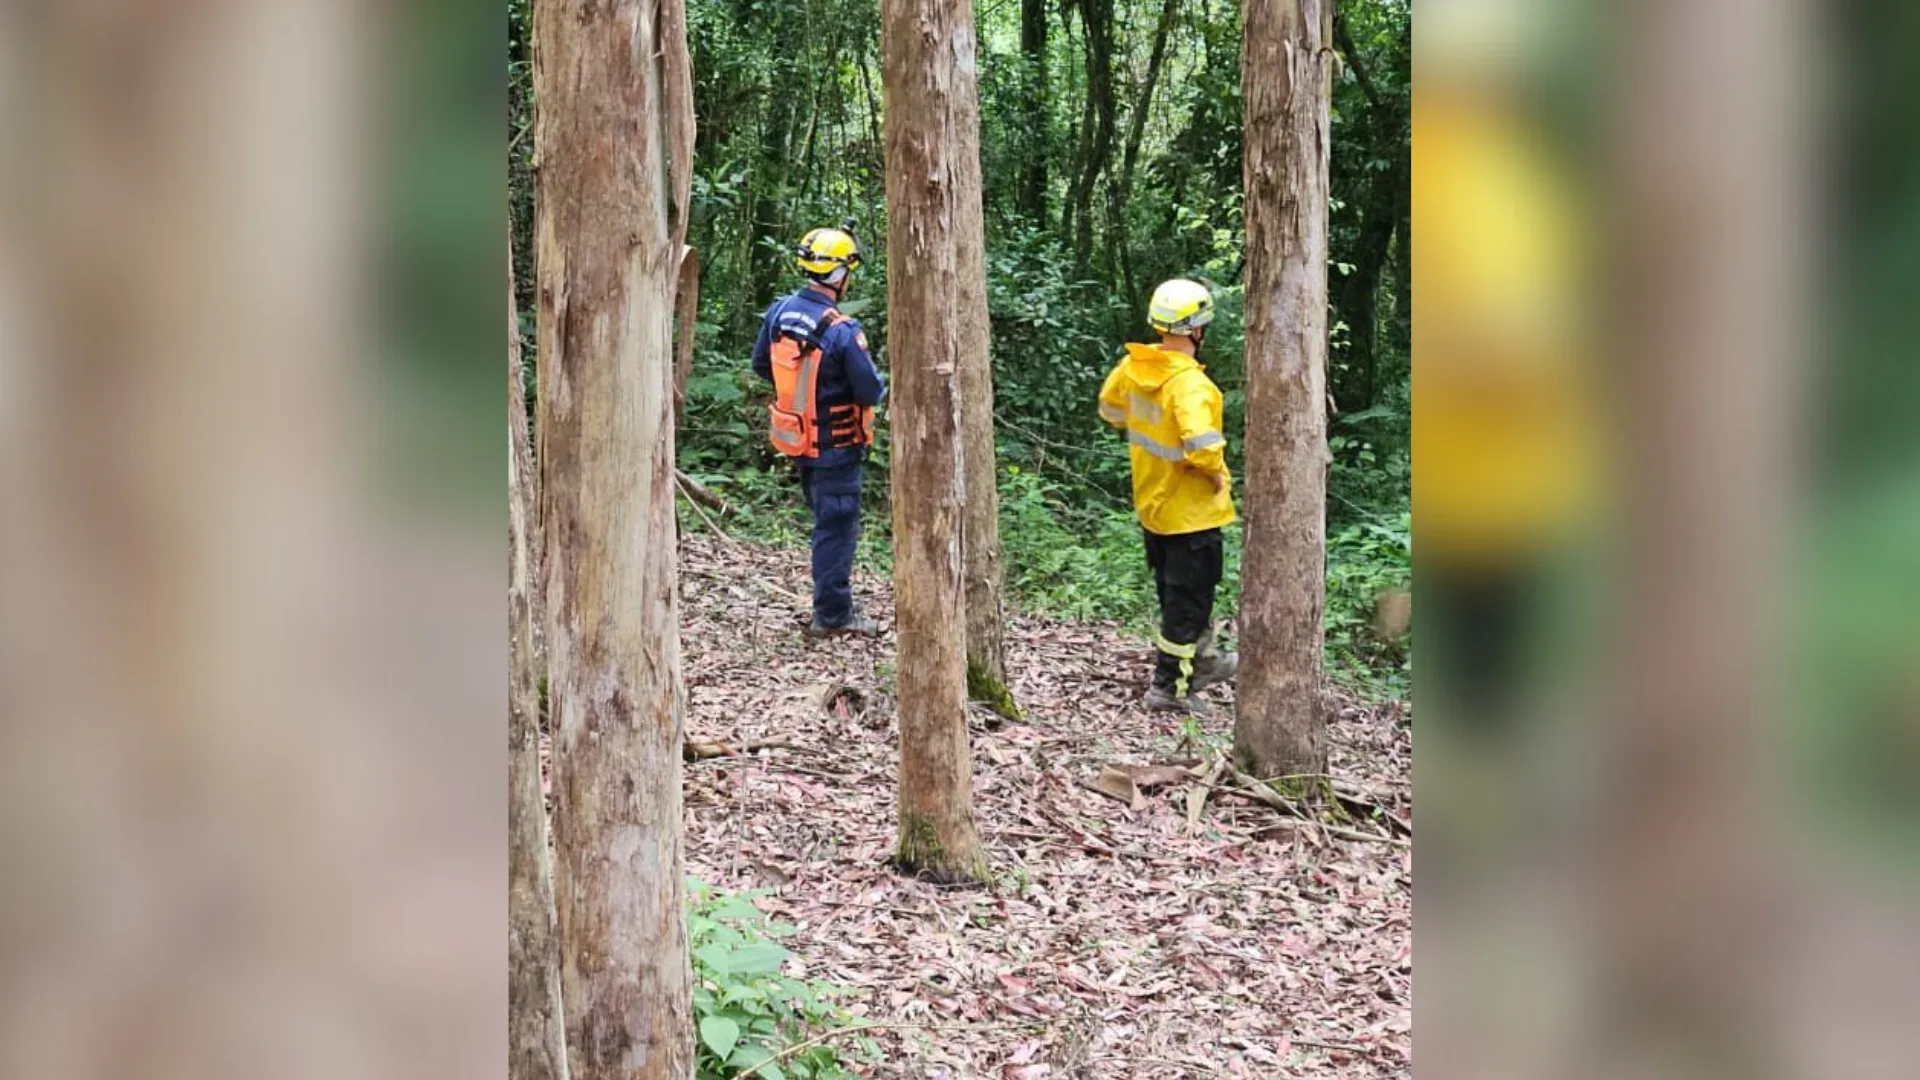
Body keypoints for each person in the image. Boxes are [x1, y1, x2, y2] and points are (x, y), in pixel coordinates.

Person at [1098, 278, 1239, 712]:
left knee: (1177, 596)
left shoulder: (1133, 369)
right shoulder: (1190, 386)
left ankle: (1203, 661)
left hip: (1154, 507)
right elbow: (1200, 442)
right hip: (1191, 514)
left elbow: (1109, 410)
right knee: (1188, 604)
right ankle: (1169, 689)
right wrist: (1215, 472)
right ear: (1197, 329)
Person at [753, 225, 886, 637]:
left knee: (826, 521)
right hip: (837, 449)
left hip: (801, 442)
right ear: (839, 274)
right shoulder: (843, 330)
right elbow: (869, 389)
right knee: (836, 527)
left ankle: (832, 600)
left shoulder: (780, 312)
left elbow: (762, 365)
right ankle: (832, 614)